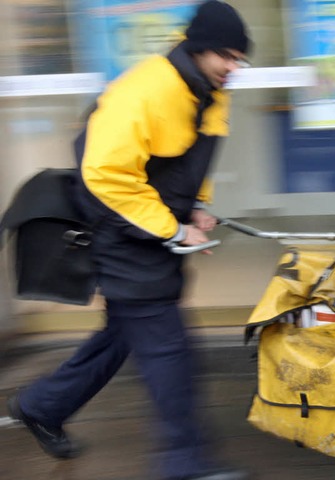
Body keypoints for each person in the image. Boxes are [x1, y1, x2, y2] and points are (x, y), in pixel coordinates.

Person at [7, 2, 252, 479]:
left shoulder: (208, 90)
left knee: (122, 336)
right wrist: (171, 227)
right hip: (122, 235)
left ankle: (41, 405)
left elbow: (190, 164)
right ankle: (185, 464)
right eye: (225, 55)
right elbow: (103, 174)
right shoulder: (147, 90)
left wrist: (196, 206)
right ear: (199, 47)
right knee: (171, 354)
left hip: (148, 232)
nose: (232, 67)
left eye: (240, 59)